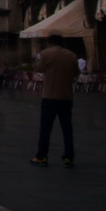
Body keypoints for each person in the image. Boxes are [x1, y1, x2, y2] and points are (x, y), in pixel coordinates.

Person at [31, 34, 79, 167]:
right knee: (67, 128)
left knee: (46, 128)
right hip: (66, 96)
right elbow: (76, 72)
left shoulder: (46, 54)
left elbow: (38, 69)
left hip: (50, 96)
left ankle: (42, 156)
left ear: (49, 43)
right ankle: (69, 156)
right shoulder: (71, 55)